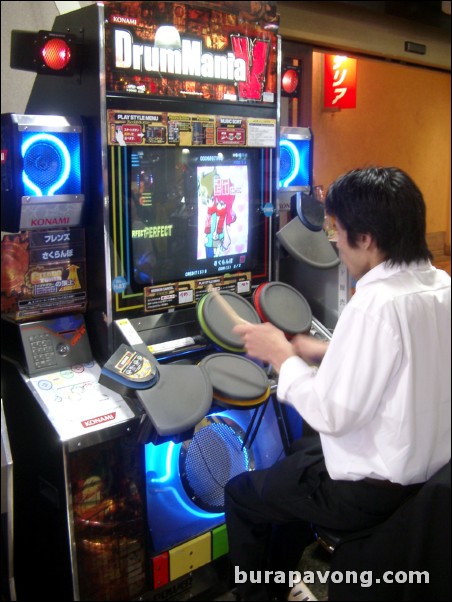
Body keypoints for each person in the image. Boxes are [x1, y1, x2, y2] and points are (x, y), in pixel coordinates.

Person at [224, 166, 451, 601]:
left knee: (242, 495)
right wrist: (326, 352)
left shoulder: (376, 304)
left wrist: (281, 356)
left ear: (365, 239)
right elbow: (411, 361)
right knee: (294, 457)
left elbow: (333, 415)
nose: (336, 244)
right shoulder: (439, 284)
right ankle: (290, 579)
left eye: (339, 231)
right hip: (426, 480)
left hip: (369, 494)